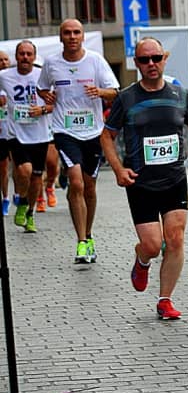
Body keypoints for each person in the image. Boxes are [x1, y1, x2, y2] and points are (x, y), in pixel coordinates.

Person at [100, 37, 188, 320]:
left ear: (165, 58)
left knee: (175, 239)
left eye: (156, 58)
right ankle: (142, 259)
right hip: (140, 182)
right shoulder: (126, 97)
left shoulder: (179, 94)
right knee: (152, 245)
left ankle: (165, 300)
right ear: (136, 63)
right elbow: (106, 136)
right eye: (144, 60)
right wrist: (118, 169)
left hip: (174, 178)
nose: (151, 64)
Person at [38, 18, 120, 263]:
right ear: (60, 37)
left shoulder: (95, 60)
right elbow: (41, 87)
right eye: (67, 33)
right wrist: (47, 96)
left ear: (82, 36)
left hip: (93, 132)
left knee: (89, 186)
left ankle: (89, 234)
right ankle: (81, 242)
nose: (72, 37)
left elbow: (115, 92)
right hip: (65, 130)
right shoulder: (52, 63)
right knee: (76, 182)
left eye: (76, 32)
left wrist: (100, 92)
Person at [0, 41, 52, 233]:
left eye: (29, 54)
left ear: (34, 57)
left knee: (37, 177)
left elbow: (57, 102)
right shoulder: (5, 76)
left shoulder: (42, 76)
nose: (25, 57)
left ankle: (29, 212)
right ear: (16, 56)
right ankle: (21, 199)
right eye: (22, 54)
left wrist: (42, 109)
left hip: (39, 134)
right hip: (16, 133)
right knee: (24, 170)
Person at [0, 50, 12, 216]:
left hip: (16, 130)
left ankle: (19, 194)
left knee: (20, 166)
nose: (3, 63)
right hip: (1, 131)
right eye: (0, 60)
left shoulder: (13, 79)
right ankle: (5, 197)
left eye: (5, 59)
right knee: (3, 167)